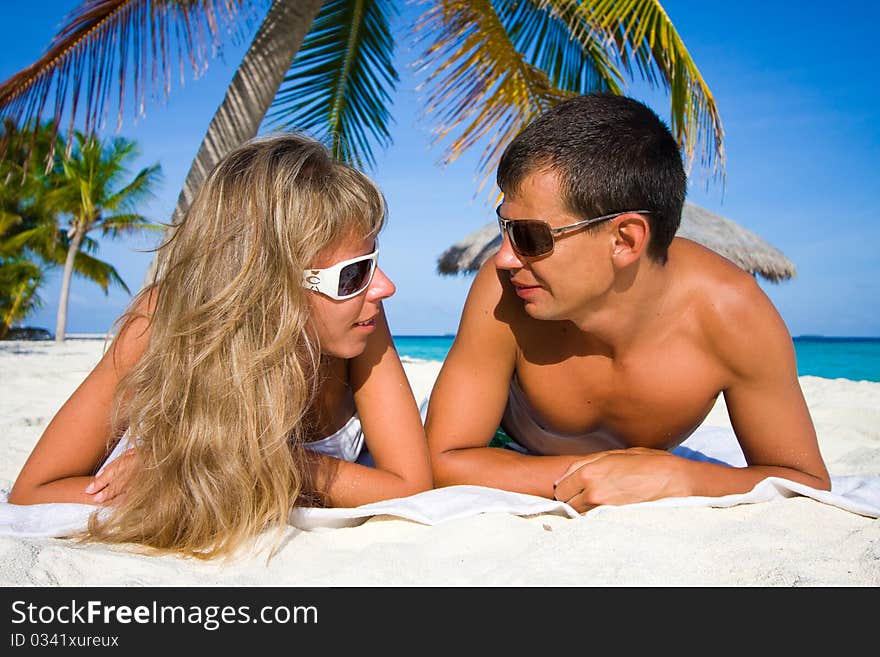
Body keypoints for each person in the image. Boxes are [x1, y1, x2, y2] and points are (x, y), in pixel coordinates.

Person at [8, 133, 432, 557]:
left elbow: (411, 486)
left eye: (374, 262)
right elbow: (33, 491)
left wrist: (254, 463)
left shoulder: (362, 316)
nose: (385, 287)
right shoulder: (161, 323)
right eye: (354, 273)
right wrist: (166, 481)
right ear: (266, 286)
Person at [426, 93, 830, 512]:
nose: (506, 257)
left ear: (625, 240)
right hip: (504, 449)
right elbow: (442, 459)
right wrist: (608, 477)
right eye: (505, 228)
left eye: (530, 236)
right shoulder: (504, 293)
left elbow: (807, 480)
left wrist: (680, 475)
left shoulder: (733, 315)